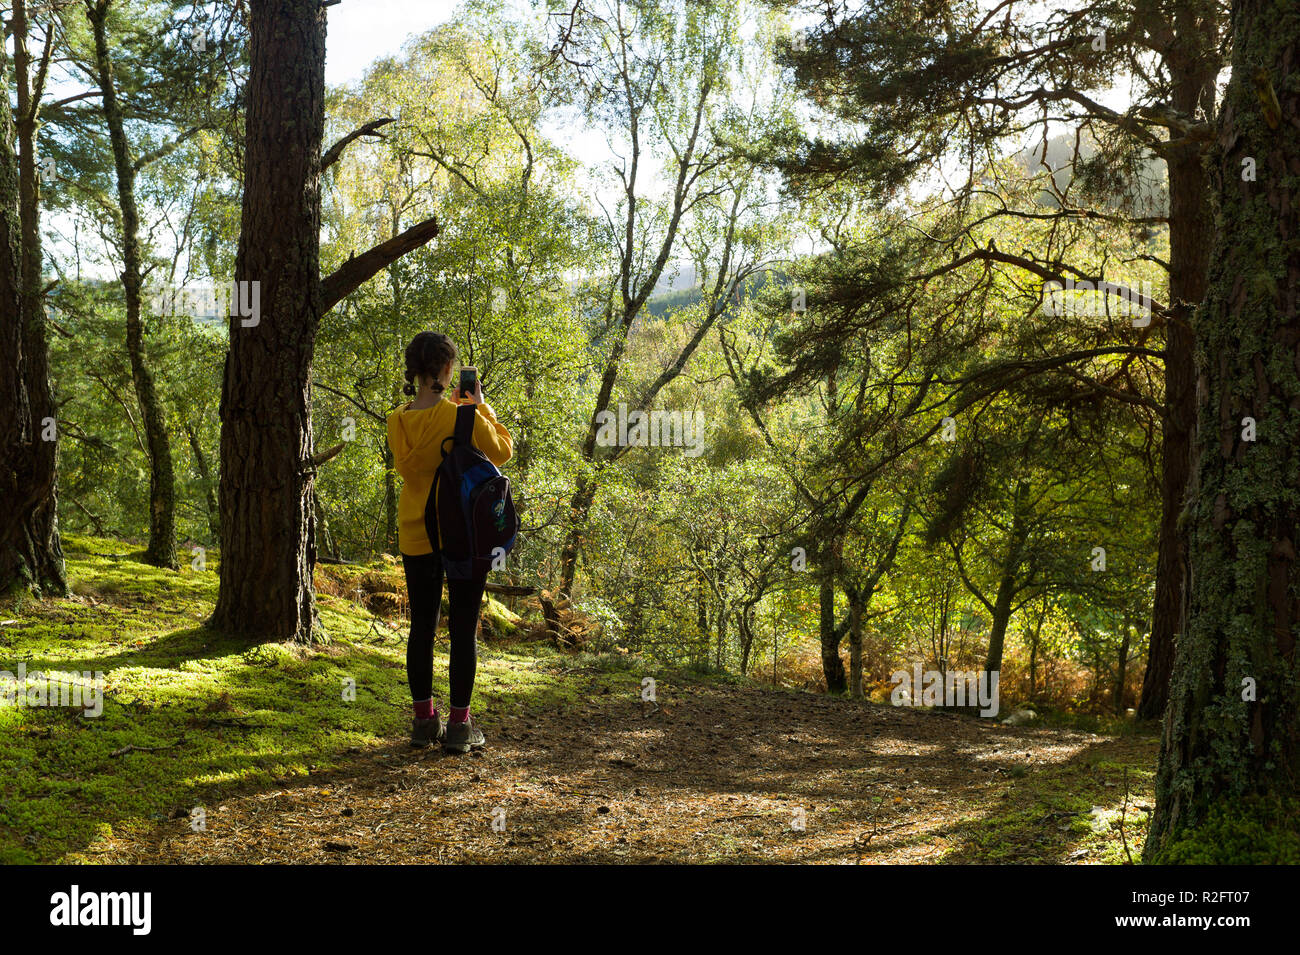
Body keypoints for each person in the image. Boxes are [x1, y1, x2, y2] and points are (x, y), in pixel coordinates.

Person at [385, 331, 512, 753]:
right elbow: (503, 451)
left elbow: (411, 471)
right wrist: (479, 406)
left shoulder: (396, 420)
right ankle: (459, 726)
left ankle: (424, 721)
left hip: (415, 531)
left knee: (421, 626)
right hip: (461, 533)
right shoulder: (464, 418)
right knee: (462, 628)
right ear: (445, 371)